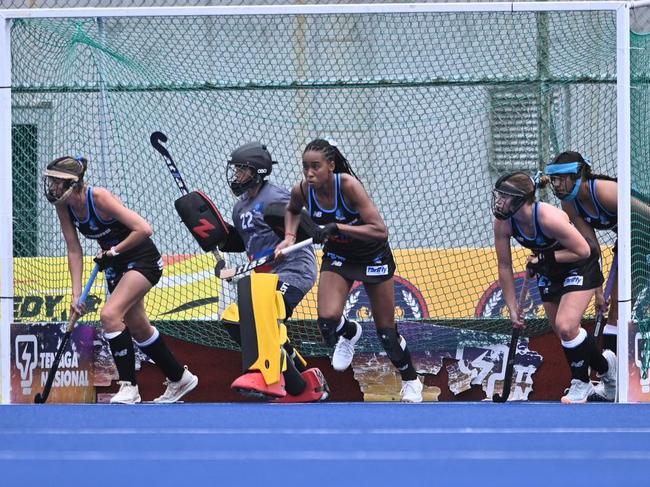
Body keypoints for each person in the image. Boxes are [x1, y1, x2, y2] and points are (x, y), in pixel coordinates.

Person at [275, 138, 423, 403]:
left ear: (330, 166)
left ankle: (411, 380)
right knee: (327, 320)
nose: (309, 173)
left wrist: (339, 227)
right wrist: (288, 237)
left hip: (372, 256)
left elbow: (379, 230)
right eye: (305, 167)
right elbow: (292, 209)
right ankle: (350, 332)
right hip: (339, 257)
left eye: (316, 167)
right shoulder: (301, 190)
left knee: (387, 333)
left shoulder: (349, 186)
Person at [44, 155, 198, 404]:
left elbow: (144, 229)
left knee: (109, 315)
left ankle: (129, 387)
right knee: (138, 327)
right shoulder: (63, 205)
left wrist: (114, 251)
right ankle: (180, 377)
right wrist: (76, 295)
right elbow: (74, 249)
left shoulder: (99, 197)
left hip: (142, 259)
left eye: (56, 181)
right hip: (115, 264)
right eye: (50, 180)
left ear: (73, 183)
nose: (51, 186)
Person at [492, 171, 616, 403]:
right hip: (549, 268)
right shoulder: (503, 222)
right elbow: (505, 266)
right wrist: (511, 308)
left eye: (504, 197)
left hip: (579, 264)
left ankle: (581, 383)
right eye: (499, 196)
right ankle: (607, 368)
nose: (499, 201)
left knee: (566, 325)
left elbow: (584, 251)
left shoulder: (548, 218)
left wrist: (543, 259)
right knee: (563, 333)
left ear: (520, 200)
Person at [218, 142, 328, 402]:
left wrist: (296, 235)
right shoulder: (239, 208)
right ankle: (303, 381)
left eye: (241, 170)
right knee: (234, 320)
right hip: (261, 279)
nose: (236, 176)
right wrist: (217, 238)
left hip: (293, 270)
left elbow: (305, 224)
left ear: (256, 171)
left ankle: (274, 379)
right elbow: (242, 241)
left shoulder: (276, 197)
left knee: (258, 322)